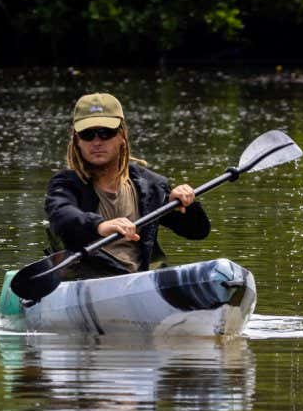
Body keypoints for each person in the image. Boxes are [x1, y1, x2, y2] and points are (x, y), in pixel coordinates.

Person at [44, 92, 210, 277]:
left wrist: (185, 205)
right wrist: (99, 226)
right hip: (86, 278)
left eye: (106, 133)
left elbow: (198, 231)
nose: (97, 142)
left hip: (140, 281)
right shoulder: (65, 184)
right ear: (77, 140)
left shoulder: (151, 186)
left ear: (122, 135)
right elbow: (62, 215)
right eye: (88, 134)